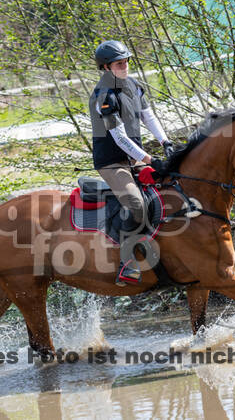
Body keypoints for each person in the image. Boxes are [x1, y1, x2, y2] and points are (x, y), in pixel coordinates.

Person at [89, 40, 174, 286]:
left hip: (133, 158)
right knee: (136, 203)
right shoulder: (104, 96)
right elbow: (119, 137)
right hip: (112, 163)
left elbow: (148, 116)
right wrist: (148, 159)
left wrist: (165, 141)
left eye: (126, 61)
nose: (125, 66)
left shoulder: (133, 85)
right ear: (105, 67)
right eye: (119, 63)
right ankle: (127, 262)